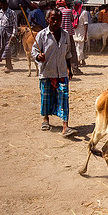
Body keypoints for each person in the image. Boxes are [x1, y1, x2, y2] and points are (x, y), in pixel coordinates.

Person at [32, 9, 76, 137]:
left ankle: (65, 126)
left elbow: (68, 53)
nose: (56, 21)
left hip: (61, 72)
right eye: (53, 19)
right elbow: (34, 51)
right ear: (47, 20)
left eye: (58, 19)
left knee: (64, 97)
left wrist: (69, 68)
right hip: (46, 72)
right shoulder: (41, 35)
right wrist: (38, 56)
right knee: (46, 97)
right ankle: (45, 119)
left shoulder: (65, 34)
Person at [0, 0, 18, 73]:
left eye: (3, 5)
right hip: (1, 32)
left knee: (7, 49)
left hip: (9, 32)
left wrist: (13, 34)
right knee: (1, 48)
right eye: (0, 5)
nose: (2, 6)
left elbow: (15, 24)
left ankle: (8, 65)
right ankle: (8, 64)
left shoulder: (12, 12)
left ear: (7, 4)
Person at [56, 0, 82, 75]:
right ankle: (75, 68)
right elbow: (72, 19)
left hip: (58, 34)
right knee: (72, 51)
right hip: (69, 34)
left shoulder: (55, 11)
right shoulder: (68, 11)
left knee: (59, 51)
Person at [72, 0, 90, 66]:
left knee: (79, 48)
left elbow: (86, 24)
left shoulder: (82, 12)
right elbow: (85, 23)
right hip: (77, 33)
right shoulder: (77, 12)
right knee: (78, 48)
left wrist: (85, 34)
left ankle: (79, 61)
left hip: (80, 33)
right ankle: (80, 60)